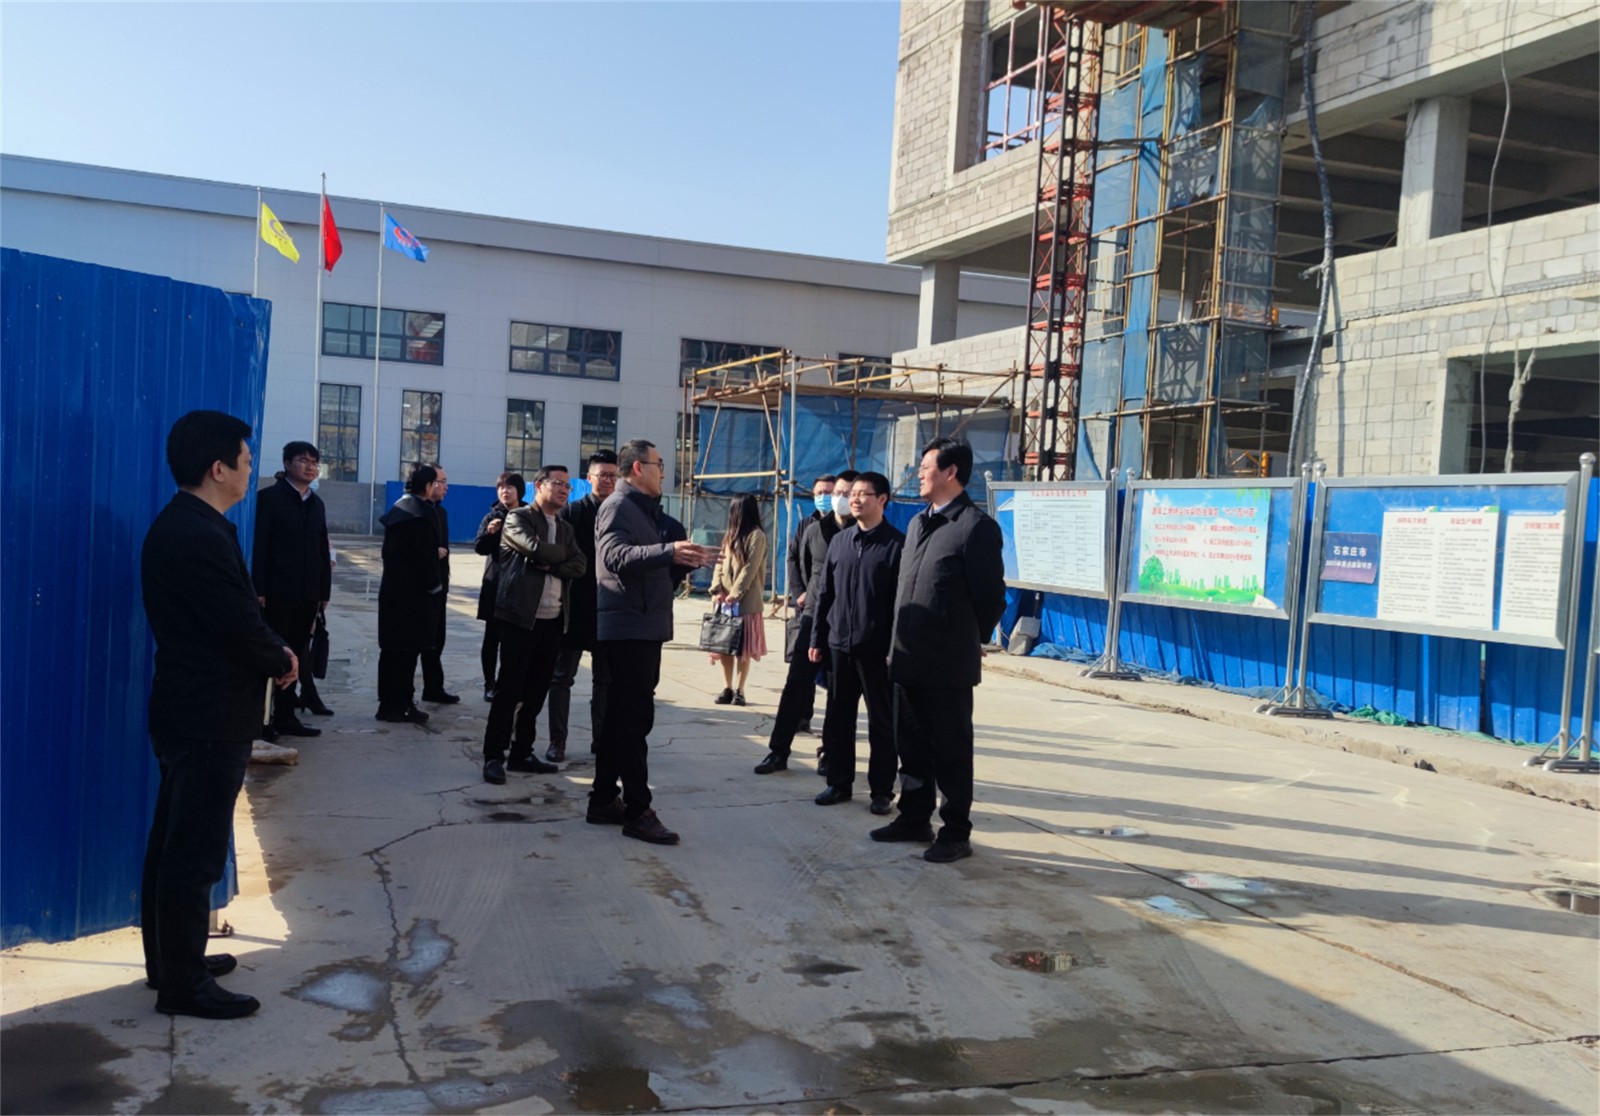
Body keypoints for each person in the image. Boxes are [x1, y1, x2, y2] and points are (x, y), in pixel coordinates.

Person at [140, 410, 297, 1019]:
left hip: (195, 709)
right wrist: (280, 657)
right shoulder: (196, 535)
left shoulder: (193, 525)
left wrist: (270, 645)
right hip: (207, 715)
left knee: (174, 841)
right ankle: (182, 986)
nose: (251, 470)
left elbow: (236, 614)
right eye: (246, 460)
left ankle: (172, 962)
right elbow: (235, 623)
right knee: (193, 852)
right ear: (218, 469)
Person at [874, 437, 1006, 863]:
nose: (919, 474)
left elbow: (991, 598)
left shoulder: (975, 527)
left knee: (950, 752)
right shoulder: (918, 523)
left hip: (947, 666)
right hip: (907, 657)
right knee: (910, 746)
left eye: (926, 466)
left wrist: (967, 639)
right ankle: (914, 818)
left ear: (950, 471)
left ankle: (955, 832)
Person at [587, 438, 720, 844]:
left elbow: (647, 566)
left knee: (619, 720)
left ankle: (603, 799)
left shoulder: (641, 510)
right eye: (659, 464)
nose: (664, 472)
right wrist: (667, 552)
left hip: (642, 625)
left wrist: (681, 561)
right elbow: (614, 557)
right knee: (633, 722)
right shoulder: (617, 506)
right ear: (638, 468)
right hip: (629, 628)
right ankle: (638, 810)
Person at [482, 466, 585, 784]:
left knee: (537, 691)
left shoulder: (565, 528)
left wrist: (552, 562)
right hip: (520, 618)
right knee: (509, 690)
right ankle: (493, 756)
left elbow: (580, 565)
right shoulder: (518, 518)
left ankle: (522, 752)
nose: (564, 490)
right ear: (539, 486)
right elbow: (534, 548)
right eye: (558, 483)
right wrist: (558, 557)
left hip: (553, 621)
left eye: (568, 486)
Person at [809, 472, 904, 814]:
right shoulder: (841, 542)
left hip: (877, 649)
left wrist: (894, 649)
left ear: (883, 500)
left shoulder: (897, 546)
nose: (855, 499)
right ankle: (839, 783)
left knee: (882, 722)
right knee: (839, 717)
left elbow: (901, 605)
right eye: (853, 494)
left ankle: (881, 791)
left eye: (864, 494)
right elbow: (826, 594)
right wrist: (818, 637)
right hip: (839, 645)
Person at [754, 471, 855, 775]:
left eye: (845, 493)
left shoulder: (860, 535)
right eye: (834, 492)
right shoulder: (813, 530)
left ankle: (829, 752)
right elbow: (801, 564)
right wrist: (802, 595)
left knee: (838, 693)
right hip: (811, 618)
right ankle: (778, 751)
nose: (837, 498)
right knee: (795, 685)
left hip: (843, 622)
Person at [251, 440, 332, 740]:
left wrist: (324, 591)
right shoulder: (269, 499)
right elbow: (260, 546)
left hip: (308, 593)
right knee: (271, 656)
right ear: (286, 464)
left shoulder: (316, 503)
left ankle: (286, 716)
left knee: (296, 655)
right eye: (303, 460)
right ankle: (260, 720)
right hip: (277, 592)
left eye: (314, 462)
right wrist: (259, 587)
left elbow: (322, 549)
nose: (310, 467)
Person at [543, 450, 618, 762]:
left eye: (613, 476)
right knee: (561, 678)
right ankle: (557, 742)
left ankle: (601, 740)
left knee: (605, 681)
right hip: (573, 609)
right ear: (589, 478)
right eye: (602, 475)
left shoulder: (621, 514)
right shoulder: (572, 513)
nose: (608, 481)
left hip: (609, 610)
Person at [376, 465, 444, 724]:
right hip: (415, 597)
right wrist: (435, 586)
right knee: (408, 653)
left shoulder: (399, 509)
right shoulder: (423, 514)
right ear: (427, 486)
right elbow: (425, 560)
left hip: (392, 591)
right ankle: (403, 704)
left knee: (391, 652)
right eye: (436, 483)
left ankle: (387, 705)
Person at [707, 493, 768, 706]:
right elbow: (719, 564)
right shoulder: (730, 535)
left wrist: (735, 593)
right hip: (724, 603)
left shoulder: (757, 536)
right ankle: (727, 687)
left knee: (743, 649)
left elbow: (750, 569)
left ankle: (740, 690)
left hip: (746, 604)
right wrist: (717, 589)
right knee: (725, 646)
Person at [474, 471, 524, 703]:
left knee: (516, 640)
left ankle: (511, 683)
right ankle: (490, 684)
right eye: (501, 488)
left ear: (519, 491)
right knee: (492, 637)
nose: (505, 491)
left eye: (509, 487)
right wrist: (490, 533)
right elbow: (480, 548)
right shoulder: (491, 516)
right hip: (495, 584)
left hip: (521, 585)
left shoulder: (529, 515)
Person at [419, 465, 459, 704]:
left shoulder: (440, 512)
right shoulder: (415, 511)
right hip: (420, 589)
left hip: (439, 585)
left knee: (437, 639)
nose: (445, 487)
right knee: (418, 641)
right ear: (428, 484)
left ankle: (433, 687)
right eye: (441, 482)